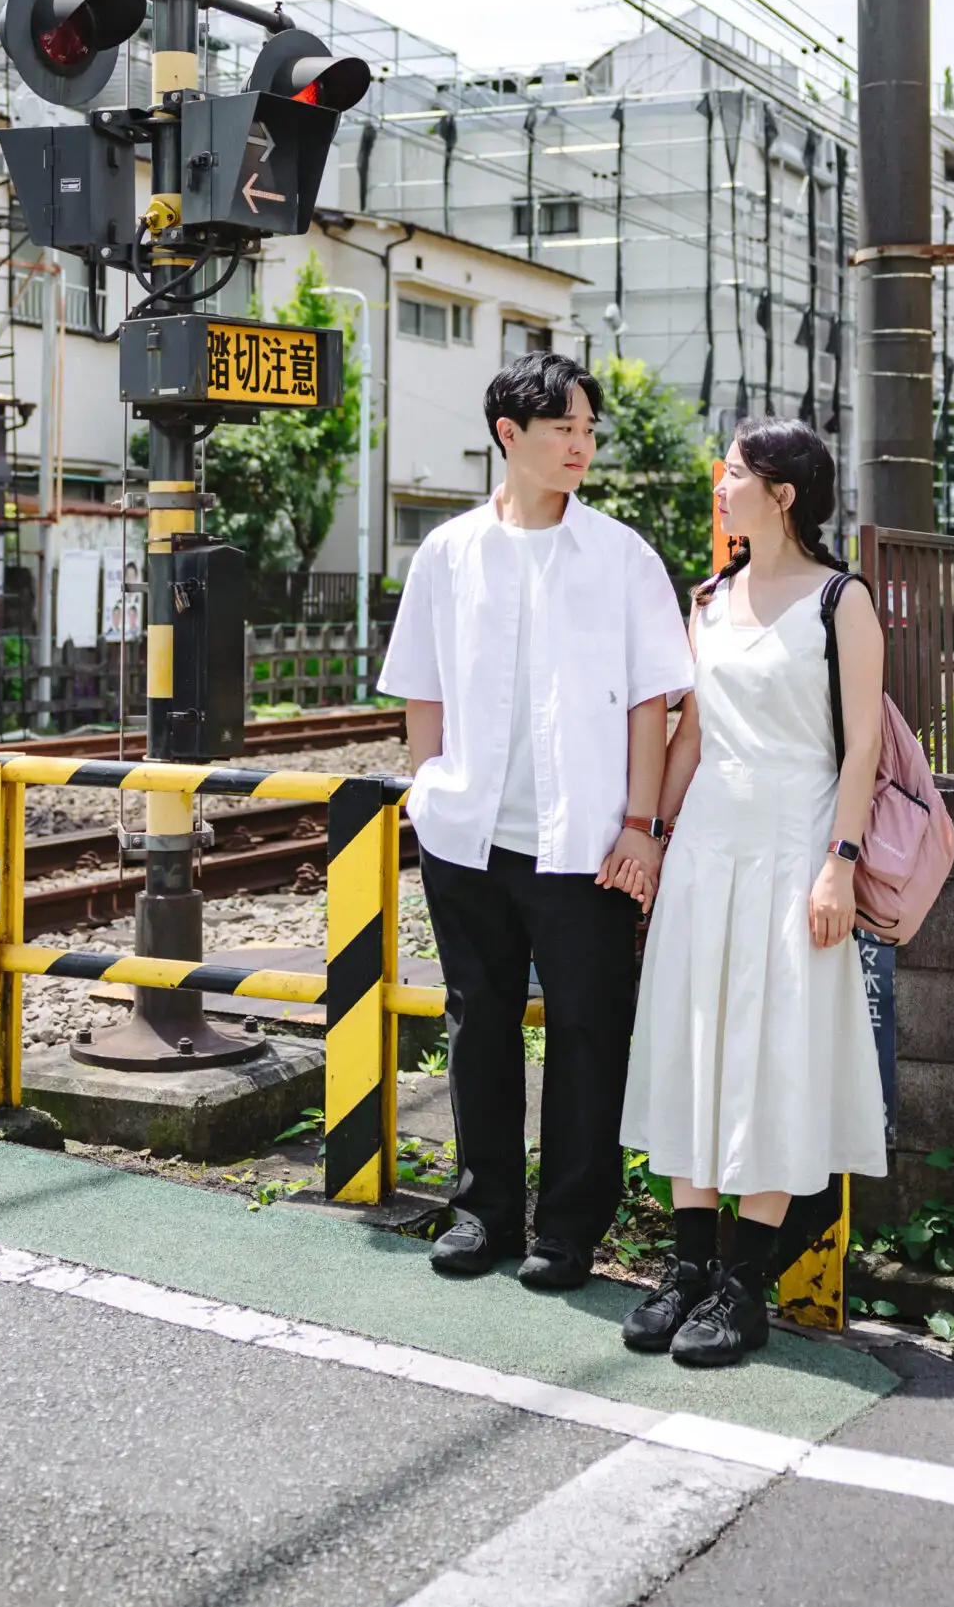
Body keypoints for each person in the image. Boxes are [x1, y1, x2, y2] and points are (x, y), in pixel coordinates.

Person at [379, 351, 694, 1290]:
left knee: (589, 1033)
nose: (582, 446)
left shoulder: (623, 554)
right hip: (468, 835)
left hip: (588, 843)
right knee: (478, 1023)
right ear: (510, 436)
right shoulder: (447, 551)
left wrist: (640, 824)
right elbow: (421, 691)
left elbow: (652, 703)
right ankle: (484, 1213)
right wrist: (430, 787)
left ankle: (567, 1231)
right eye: (565, 429)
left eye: (589, 430)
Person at [619, 417, 887, 1368]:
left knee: (773, 1052)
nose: (719, 486)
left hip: (794, 846)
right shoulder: (712, 596)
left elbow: (862, 745)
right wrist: (651, 836)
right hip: (709, 849)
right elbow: (691, 738)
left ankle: (745, 1285)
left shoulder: (840, 602)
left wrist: (840, 863)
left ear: (781, 494)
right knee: (698, 1043)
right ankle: (689, 1267)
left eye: (732, 474)